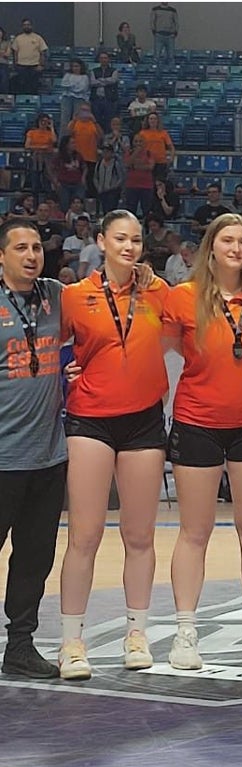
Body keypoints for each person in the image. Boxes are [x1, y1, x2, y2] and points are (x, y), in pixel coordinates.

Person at [162, 214, 242, 669]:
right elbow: (163, 346)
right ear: (209, 247)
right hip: (197, 421)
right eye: (227, 240)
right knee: (194, 532)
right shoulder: (183, 297)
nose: (236, 248)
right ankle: (185, 634)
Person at [56, 211, 170, 679]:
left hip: (143, 421)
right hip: (90, 420)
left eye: (137, 239)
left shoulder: (158, 292)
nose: (129, 246)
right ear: (101, 241)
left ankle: (136, 633)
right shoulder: (74, 297)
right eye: (120, 238)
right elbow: (49, 344)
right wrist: (67, 367)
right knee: (84, 535)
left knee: (140, 535)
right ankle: (71, 642)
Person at [0, 219, 67, 678]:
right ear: (1, 256)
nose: (31, 255)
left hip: (48, 457)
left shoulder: (58, 295)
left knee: (34, 556)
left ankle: (20, 644)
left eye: (37, 247)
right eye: (20, 247)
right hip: (2, 458)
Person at [23, 113, 56, 203]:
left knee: (47, 183)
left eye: (46, 121)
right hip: (35, 159)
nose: (44, 123)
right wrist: (41, 147)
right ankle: (35, 204)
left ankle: (48, 204)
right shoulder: (32, 132)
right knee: (35, 184)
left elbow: (54, 140)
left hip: (47, 161)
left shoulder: (49, 133)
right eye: (42, 121)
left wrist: (52, 127)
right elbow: (27, 145)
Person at [11, 18, 48, 96]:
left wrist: (41, 65)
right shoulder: (18, 38)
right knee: (22, 86)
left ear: (31, 26)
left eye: (28, 25)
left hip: (34, 66)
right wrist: (15, 64)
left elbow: (42, 52)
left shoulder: (38, 38)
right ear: (22, 27)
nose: (26, 26)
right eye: (24, 25)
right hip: (21, 66)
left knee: (33, 87)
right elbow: (15, 52)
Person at [136, 112, 175, 181]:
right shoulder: (142, 133)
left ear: (157, 121)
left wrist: (171, 158)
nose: (153, 121)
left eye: (154, 119)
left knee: (160, 183)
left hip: (161, 163)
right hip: (147, 163)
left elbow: (171, 147)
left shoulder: (163, 133)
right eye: (151, 119)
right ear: (148, 120)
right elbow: (138, 147)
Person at [60, 59, 92, 130]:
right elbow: (64, 84)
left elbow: (82, 88)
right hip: (67, 98)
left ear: (81, 67)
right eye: (74, 66)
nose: (75, 68)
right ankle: (63, 139)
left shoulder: (85, 77)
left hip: (79, 99)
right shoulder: (67, 75)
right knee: (64, 119)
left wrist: (71, 86)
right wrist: (75, 86)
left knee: (76, 119)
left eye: (77, 66)